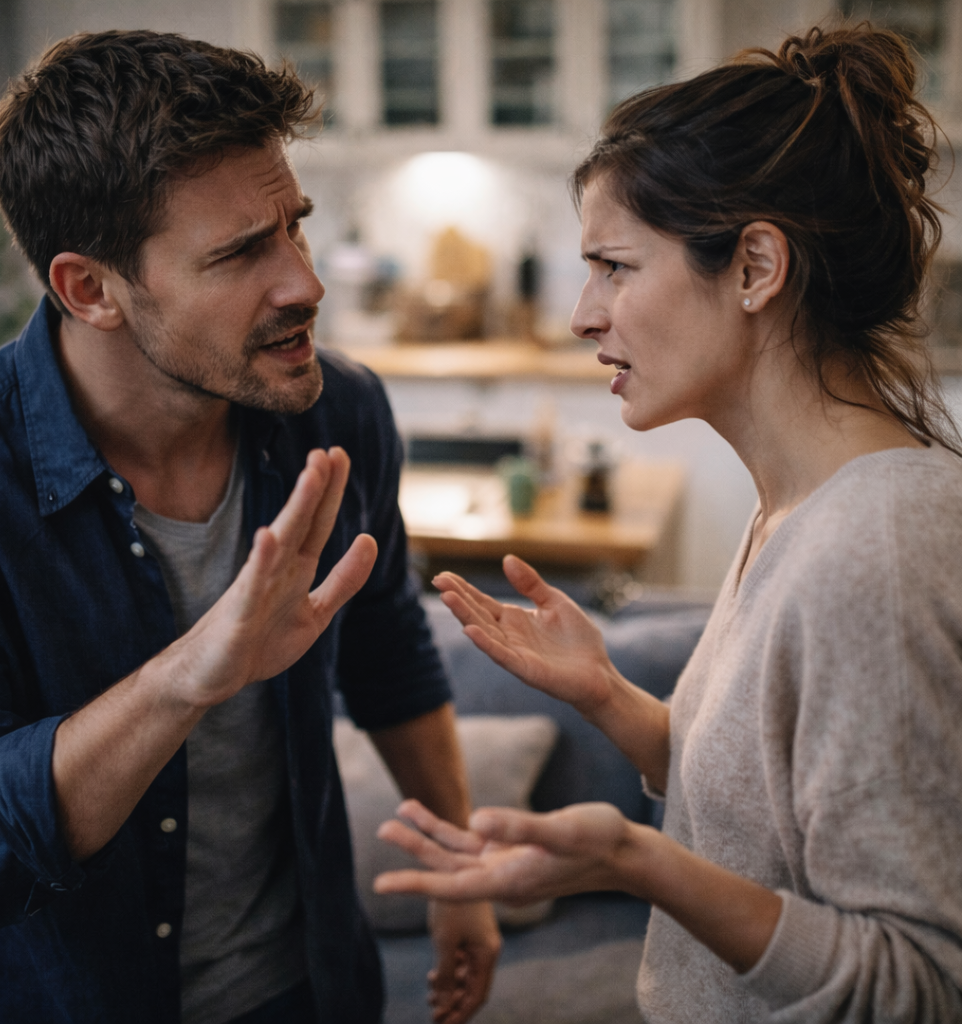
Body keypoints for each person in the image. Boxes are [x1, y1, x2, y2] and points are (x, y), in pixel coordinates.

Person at [374, 23, 962, 1023]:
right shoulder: (794, 508)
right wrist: (608, 697)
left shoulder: (879, 546)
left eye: (615, 266)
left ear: (754, 267)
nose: (582, 314)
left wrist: (634, 859)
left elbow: (918, 985)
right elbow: (761, 816)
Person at [0, 30, 500, 1024]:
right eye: (241, 252)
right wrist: (189, 674)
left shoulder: (338, 413)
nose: (305, 283)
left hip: (307, 990)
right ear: (90, 289)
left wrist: (462, 871)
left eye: (294, 227)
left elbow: (389, 654)